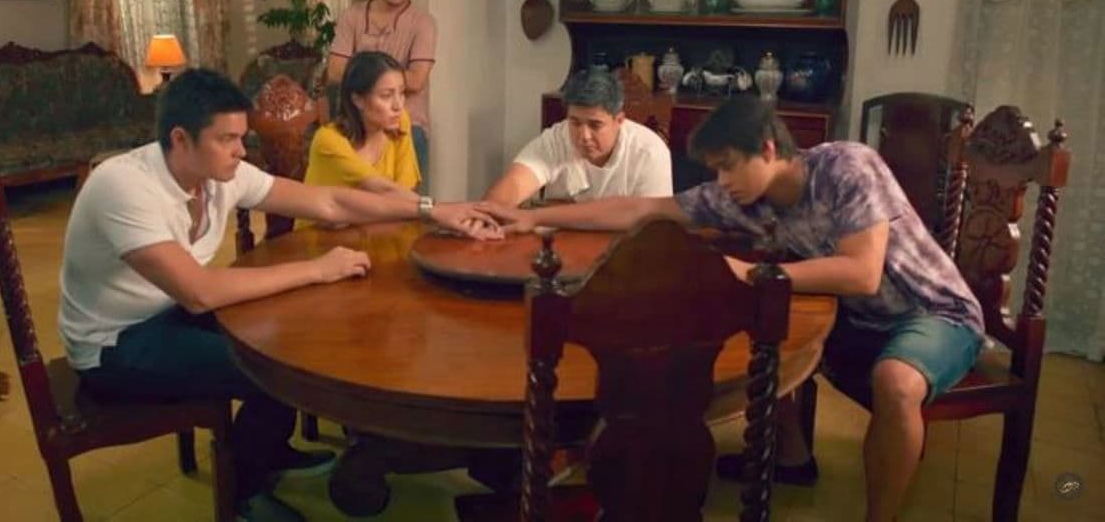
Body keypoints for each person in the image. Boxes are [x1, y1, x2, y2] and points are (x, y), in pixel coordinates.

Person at [481, 94, 984, 522]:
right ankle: (790, 458)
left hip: (931, 311)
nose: (722, 181)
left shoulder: (847, 166)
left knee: (895, 382)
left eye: (728, 165)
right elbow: (643, 208)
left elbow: (861, 273)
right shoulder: (744, 196)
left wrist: (749, 272)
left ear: (767, 149)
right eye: (716, 169)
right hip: (856, 317)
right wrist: (537, 219)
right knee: (765, 328)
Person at [59, 69, 498, 522]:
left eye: (242, 137)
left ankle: (270, 449)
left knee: (290, 333)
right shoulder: (122, 186)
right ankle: (244, 492)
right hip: (115, 343)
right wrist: (317, 269)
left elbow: (329, 202)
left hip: (169, 309)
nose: (241, 150)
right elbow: (199, 292)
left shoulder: (220, 173)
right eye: (227, 139)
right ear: (181, 139)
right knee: (270, 369)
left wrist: (431, 210)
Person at [327, 0, 436, 187]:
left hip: (407, 123)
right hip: (356, 121)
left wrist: (363, 76)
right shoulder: (352, 16)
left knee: (407, 203)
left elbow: (417, 80)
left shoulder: (423, 23)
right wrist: (391, 80)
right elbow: (334, 71)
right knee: (348, 198)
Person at [483, 69, 672, 205]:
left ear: (619, 120)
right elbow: (515, 183)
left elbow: (654, 226)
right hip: (563, 242)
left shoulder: (650, 152)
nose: (584, 136)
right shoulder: (556, 139)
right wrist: (486, 214)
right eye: (575, 122)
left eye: (595, 125)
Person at [299, 51, 420, 227]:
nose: (398, 106)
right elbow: (385, 191)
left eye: (402, 93)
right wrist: (436, 210)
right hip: (320, 237)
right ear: (358, 100)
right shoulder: (328, 140)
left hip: (378, 228)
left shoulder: (400, 121)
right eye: (386, 96)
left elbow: (404, 191)